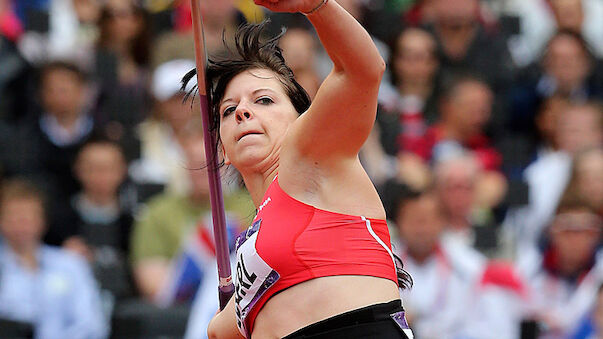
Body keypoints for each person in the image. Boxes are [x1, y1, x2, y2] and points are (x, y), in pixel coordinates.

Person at [192, 1, 412, 338]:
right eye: (228, 110)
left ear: (302, 118)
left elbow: (364, 70)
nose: (242, 113)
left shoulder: (310, 156)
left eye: (263, 99)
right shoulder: (254, 245)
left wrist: (317, 6)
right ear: (222, 149)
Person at [0, 178, 108, 339]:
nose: (21, 225)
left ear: (42, 220)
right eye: (13, 217)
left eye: (27, 218)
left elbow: (91, 324)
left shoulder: (71, 264)